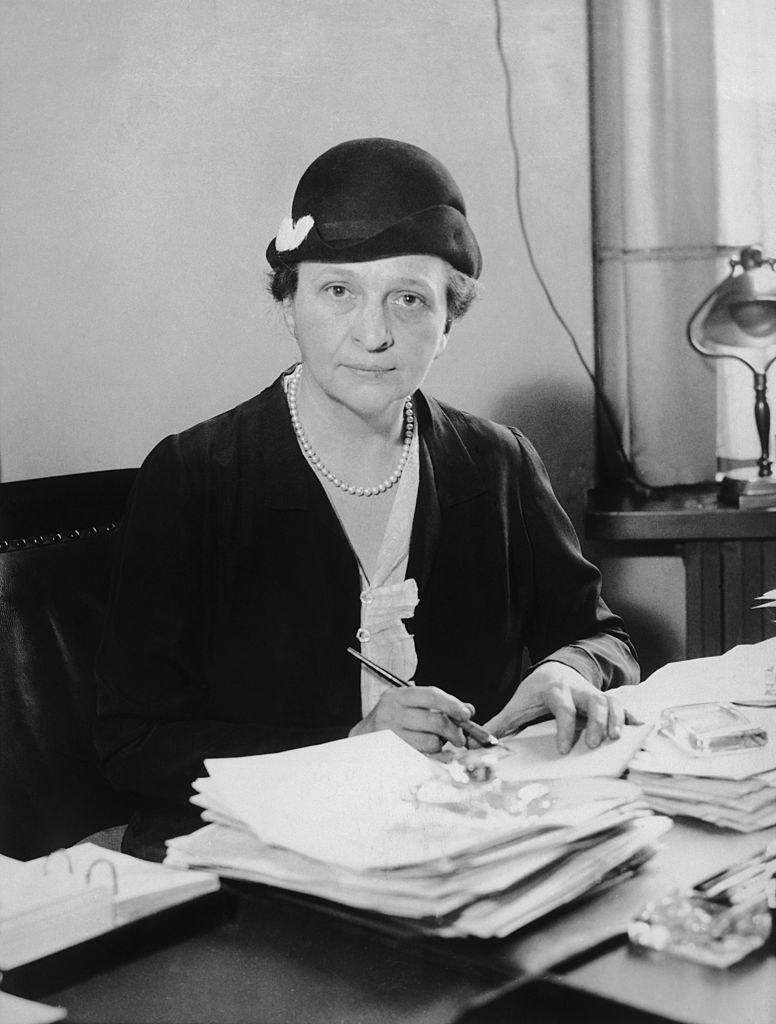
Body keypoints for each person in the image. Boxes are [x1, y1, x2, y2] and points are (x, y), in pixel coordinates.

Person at [95, 138, 639, 860]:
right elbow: (133, 743)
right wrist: (349, 747)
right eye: (338, 291)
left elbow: (607, 637)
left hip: (457, 848)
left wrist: (566, 670)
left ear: (448, 323)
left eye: (410, 299)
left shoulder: (497, 463)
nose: (375, 334)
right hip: (253, 862)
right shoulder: (194, 477)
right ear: (289, 304)